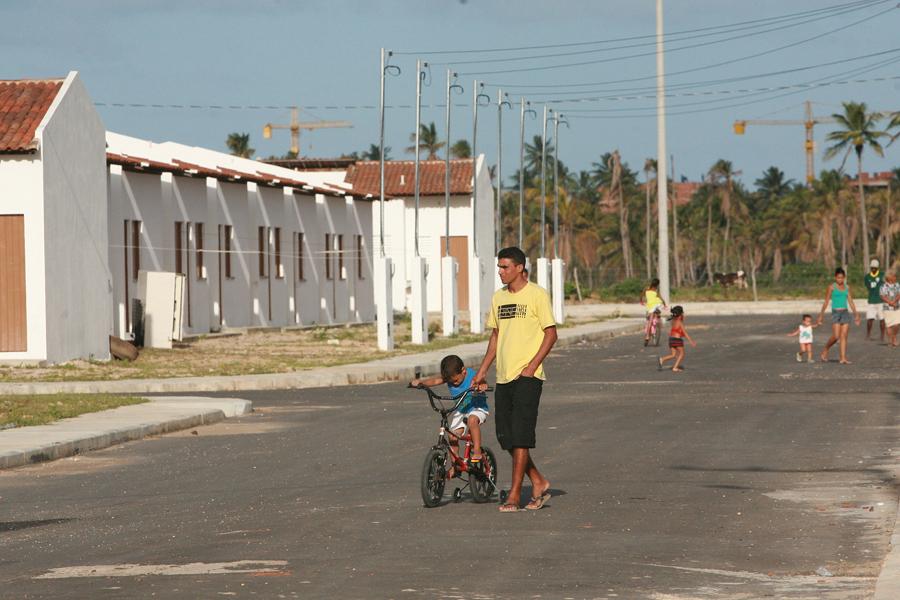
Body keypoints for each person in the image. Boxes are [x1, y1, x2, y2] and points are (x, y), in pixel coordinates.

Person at [473, 246, 556, 513]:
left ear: (519, 268)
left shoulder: (537, 295)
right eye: (499, 267)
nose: (500, 271)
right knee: (505, 437)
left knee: (520, 437)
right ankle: (538, 481)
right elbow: (496, 336)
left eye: (505, 267)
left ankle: (515, 494)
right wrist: (482, 370)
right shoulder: (498, 297)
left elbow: (551, 334)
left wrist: (532, 367)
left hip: (528, 377)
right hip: (504, 376)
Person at [411, 355, 489, 479]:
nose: (454, 383)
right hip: (462, 410)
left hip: (477, 407)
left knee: (472, 420)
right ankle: (455, 465)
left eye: (456, 381)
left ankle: (477, 450)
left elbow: (482, 379)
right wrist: (421, 383)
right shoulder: (450, 377)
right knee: (452, 435)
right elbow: (435, 381)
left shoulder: (472, 375)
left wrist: (482, 385)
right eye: (451, 382)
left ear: (463, 370)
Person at [817, 267, 861, 364]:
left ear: (844, 277)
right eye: (838, 278)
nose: (840, 280)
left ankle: (843, 358)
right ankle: (826, 349)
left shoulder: (847, 287)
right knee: (836, 336)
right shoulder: (831, 287)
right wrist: (821, 315)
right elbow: (826, 301)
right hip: (836, 313)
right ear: (835, 277)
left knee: (844, 336)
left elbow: (850, 301)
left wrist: (856, 314)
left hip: (845, 312)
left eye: (841, 278)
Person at [657, 305, 696, 372]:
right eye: (682, 313)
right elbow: (685, 333)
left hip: (671, 339)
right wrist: (691, 341)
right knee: (682, 353)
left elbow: (676, 330)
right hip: (677, 340)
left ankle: (662, 359)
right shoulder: (679, 322)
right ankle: (675, 368)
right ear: (680, 314)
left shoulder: (673, 320)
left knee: (673, 354)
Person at [641, 278, 668, 344]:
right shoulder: (656, 290)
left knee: (649, 320)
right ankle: (657, 321)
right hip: (656, 305)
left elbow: (641, 295)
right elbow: (660, 298)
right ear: (657, 284)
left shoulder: (646, 289)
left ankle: (647, 336)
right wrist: (664, 304)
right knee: (656, 313)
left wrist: (641, 301)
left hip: (650, 306)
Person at [864, 259, 885, 341]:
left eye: (875, 268)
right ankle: (868, 334)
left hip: (881, 300)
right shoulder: (867, 277)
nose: (873, 269)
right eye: (872, 267)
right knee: (870, 319)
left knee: (882, 319)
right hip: (871, 300)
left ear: (877, 267)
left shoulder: (882, 275)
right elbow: (868, 287)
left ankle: (882, 335)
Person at [880, 271, 900, 347]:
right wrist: (890, 303)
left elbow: (899, 294)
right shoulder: (883, 286)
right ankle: (890, 340)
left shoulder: (897, 285)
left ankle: (894, 336)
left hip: (897, 307)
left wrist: (894, 302)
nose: (895, 277)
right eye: (894, 276)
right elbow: (882, 296)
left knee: (897, 324)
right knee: (889, 325)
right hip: (887, 308)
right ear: (889, 278)